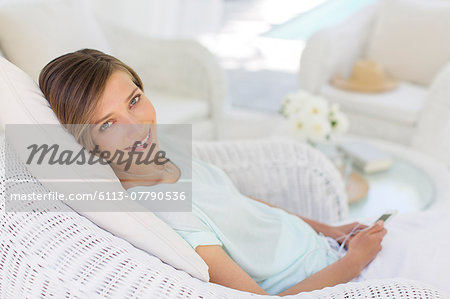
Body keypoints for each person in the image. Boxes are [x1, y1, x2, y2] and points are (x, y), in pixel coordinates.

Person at [38, 49, 450, 296]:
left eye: (134, 99)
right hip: (341, 282)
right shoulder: (165, 214)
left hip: (337, 252)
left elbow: (240, 203)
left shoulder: (165, 153)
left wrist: (332, 229)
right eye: (106, 125)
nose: (136, 125)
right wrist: (354, 261)